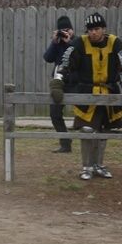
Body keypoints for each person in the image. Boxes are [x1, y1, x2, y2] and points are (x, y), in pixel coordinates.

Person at [50, 12, 122, 180]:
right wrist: (57, 83)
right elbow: (64, 64)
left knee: (103, 131)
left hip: (109, 92)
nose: (93, 33)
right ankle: (86, 166)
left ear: (103, 29)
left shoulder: (114, 42)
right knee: (87, 130)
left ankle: (98, 164)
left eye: (97, 29)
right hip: (87, 92)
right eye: (90, 29)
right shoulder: (79, 43)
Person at [43, 15, 78, 153]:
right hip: (60, 83)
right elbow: (47, 58)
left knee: (86, 112)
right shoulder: (57, 44)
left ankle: (90, 141)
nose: (65, 32)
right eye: (62, 30)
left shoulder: (78, 42)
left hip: (76, 82)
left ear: (72, 30)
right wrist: (54, 42)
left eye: (67, 29)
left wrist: (70, 42)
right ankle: (65, 143)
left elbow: (78, 56)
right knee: (54, 113)